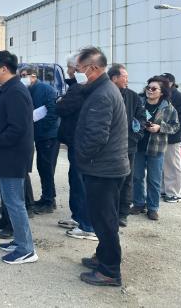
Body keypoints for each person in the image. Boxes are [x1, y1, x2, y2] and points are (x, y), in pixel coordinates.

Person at [73, 46, 129, 287]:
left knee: (104, 221)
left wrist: (81, 157)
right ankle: (103, 256)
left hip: (103, 169)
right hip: (106, 166)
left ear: (93, 68)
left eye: (79, 68)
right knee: (103, 218)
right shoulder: (102, 89)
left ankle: (110, 271)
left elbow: (96, 136)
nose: (76, 73)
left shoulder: (102, 94)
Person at [0, 50, 38, 264]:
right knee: (11, 201)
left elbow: (18, 128)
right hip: (7, 155)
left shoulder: (15, 92)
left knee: (15, 203)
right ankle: (20, 240)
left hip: (12, 156)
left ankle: (26, 249)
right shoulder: (8, 89)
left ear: (4, 69)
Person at [56, 55, 96, 240]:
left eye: (73, 68)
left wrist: (60, 102)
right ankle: (78, 217)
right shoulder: (78, 86)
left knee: (80, 182)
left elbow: (62, 108)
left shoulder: (81, 88)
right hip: (74, 139)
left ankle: (86, 224)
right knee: (75, 180)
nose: (70, 71)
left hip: (79, 141)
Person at [130, 76, 179, 220]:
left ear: (162, 92)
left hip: (156, 148)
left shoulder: (168, 108)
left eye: (153, 89)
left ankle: (153, 208)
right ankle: (138, 203)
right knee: (137, 177)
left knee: (154, 180)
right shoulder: (138, 102)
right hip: (138, 146)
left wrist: (159, 128)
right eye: (148, 88)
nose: (149, 91)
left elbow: (175, 126)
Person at [108, 64, 146, 227]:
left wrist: (135, 136)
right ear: (114, 78)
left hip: (128, 147)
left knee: (126, 180)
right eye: (124, 77)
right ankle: (108, 212)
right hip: (107, 148)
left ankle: (122, 213)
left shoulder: (133, 96)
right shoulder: (104, 94)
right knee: (108, 181)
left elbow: (141, 119)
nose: (127, 80)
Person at [19, 66, 60, 214]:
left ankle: (49, 201)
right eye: (21, 75)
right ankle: (46, 197)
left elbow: (53, 112)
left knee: (47, 168)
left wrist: (41, 129)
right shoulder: (27, 89)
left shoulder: (46, 90)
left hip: (49, 135)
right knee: (42, 167)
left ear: (34, 76)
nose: (23, 78)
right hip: (38, 134)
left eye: (25, 75)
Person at [160, 72, 181, 203]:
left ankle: (175, 193)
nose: (161, 83)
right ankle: (165, 190)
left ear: (171, 83)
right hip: (161, 136)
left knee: (173, 165)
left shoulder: (178, 97)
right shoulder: (163, 95)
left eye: (164, 81)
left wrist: (173, 129)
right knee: (163, 165)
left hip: (173, 138)